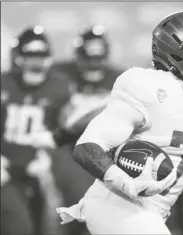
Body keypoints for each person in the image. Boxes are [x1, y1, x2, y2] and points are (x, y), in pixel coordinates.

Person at [56, 11, 183, 234]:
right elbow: (87, 147)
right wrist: (127, 183)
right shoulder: (147, 88)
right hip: (115, 206)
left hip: (151, 214)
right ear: (178, 57)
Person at [30, 25, 123, 235]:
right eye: (89, 58)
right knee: (72, 201)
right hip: (69, 148)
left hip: (108, 150)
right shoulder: (60, 75)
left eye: (98, 58)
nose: (93, 64)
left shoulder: (120, 78)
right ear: (78, 56)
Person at [1, 25, 72, 235]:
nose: (36, 62)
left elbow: (64, 133)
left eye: (41, 55)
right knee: (19, 226)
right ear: (18, 57)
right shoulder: (4, 83)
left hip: (38, 167)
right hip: (5, 167)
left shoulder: (60, 87)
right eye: (30, 55)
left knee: (49, 224)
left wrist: (50, 160)